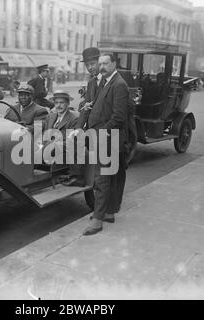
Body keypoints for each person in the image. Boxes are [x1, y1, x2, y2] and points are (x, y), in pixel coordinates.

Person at [74, 53, 129, 236]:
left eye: (106, 63)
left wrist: (101, 133)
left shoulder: (119, 85)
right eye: (101, 64)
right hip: (102, 136)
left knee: (101, 178)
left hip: (107, 138)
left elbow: (119, 117)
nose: (102, 67)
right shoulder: (106, 82)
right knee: (106, 176)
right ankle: (108, 213)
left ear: (114, 63)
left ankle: (97, 220)